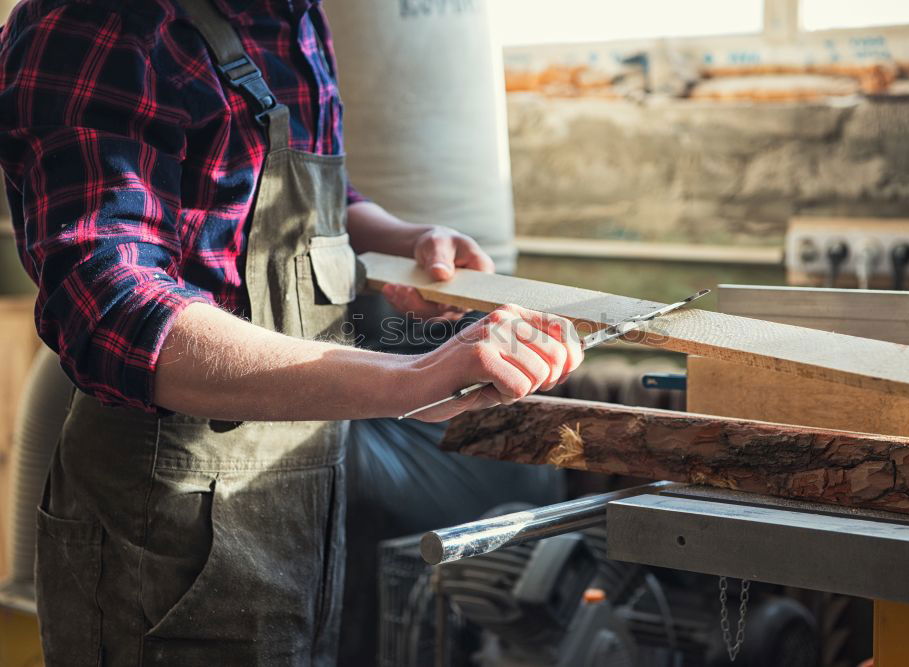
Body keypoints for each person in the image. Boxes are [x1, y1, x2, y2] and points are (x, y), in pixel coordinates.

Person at [0, 0, 583, 664]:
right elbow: (112, 310)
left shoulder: (298, 18)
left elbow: (291, 188)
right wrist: (411, 381)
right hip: (163, 526)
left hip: (301, 499)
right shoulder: (99, 21)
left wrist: (402, 239)